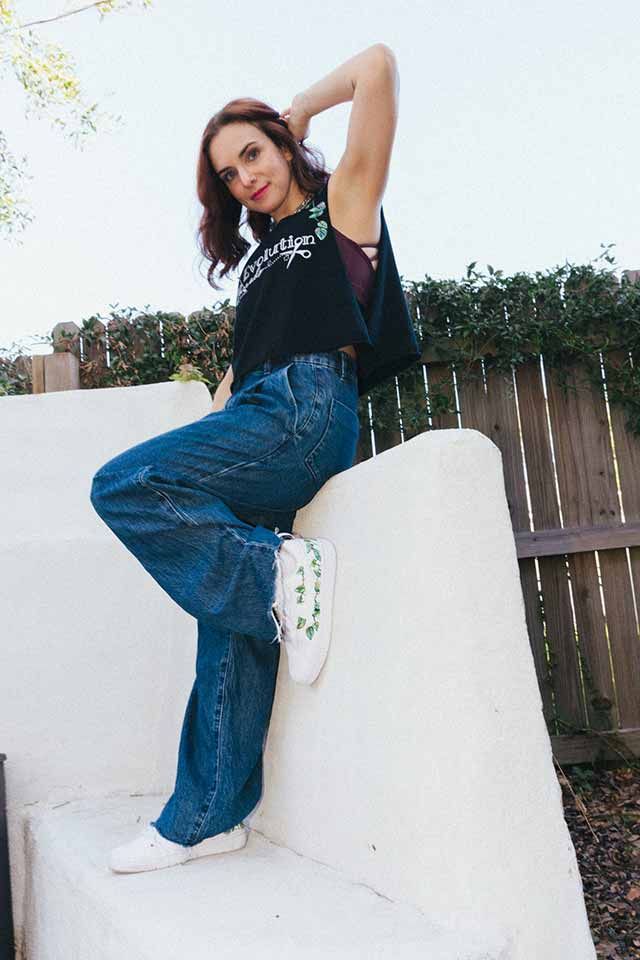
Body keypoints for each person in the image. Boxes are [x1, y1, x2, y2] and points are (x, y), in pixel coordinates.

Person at [90, 41, 421, 875]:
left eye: (253, 155)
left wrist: (298, 111)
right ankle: (205, 817)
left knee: (124, 483)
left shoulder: (341, 207)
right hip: (262, 412)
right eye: (230, 175)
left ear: (283, 149)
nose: (245, 179)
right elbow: (239, 378)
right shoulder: (260, 262)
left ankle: (282, 570)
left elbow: (376, 65)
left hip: (309, 408)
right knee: (230, 625)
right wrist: (214, 418)